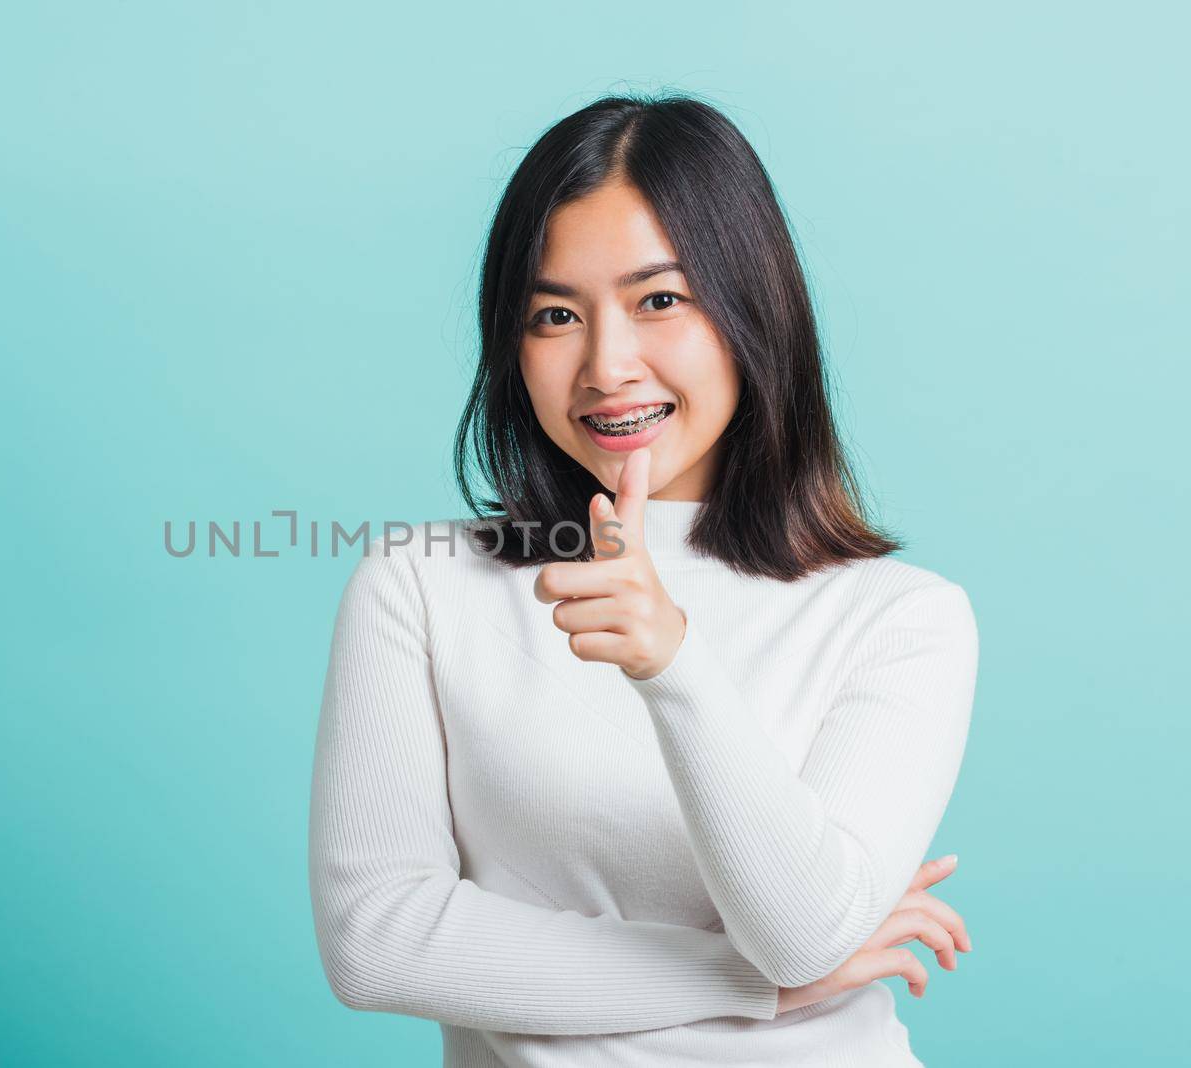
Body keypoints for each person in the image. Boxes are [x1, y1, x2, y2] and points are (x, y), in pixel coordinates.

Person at [307, 92, 979, 1067]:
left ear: (752, 310)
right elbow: (376, 941)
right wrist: (753, 987)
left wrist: (673, 666)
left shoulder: (899, 619)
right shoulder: (418, 585)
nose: (605, 364)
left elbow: (805, 932)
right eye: (553, 314)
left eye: (659, 300)